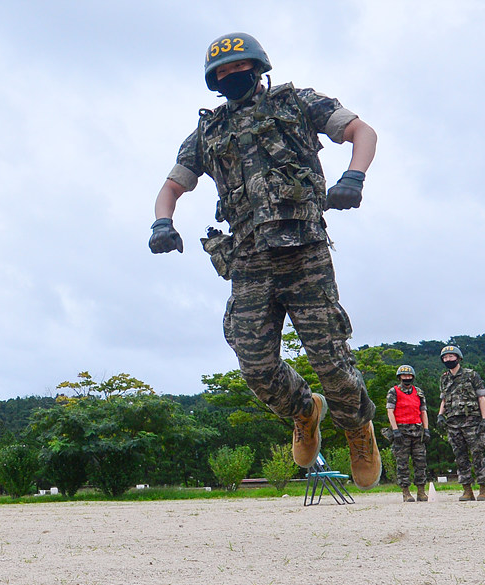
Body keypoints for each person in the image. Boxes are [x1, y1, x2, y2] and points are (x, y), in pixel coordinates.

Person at [148, 32, 380, 488]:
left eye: (241, 67)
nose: (234, 76)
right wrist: (162, 223)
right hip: (249, 261)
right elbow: (172, 186)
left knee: (331, 361)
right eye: (224, 73)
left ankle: (357, 428)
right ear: (215, 81)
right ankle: (304, 410)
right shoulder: (207, 132)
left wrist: (353, 175)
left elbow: (361, 131)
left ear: (259, 68)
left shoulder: (297, 104)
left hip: (304, 253)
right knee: (254, 363)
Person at [437, 345, 485, 501]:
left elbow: (481, 397)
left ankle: (484, 489)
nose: (448, 360)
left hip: (472, 421)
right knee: (460, 457)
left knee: (477, 455)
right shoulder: (444, 378)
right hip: (453, 422)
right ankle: (467, 490)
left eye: (451, 357)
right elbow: (444, 399)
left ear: (458, 358)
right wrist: (440, 415)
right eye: (445, 358)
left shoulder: (471, 375)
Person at [386, 365, 430, 502]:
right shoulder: (393, 392)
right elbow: (390, 411)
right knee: (402, 463)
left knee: (420, 462)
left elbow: (423, 411)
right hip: (401, 431)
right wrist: (395, 430)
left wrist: (426, 429)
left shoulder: (418, 392)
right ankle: (406, 492)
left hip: (417, 431)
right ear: (399, 377)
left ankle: (421, 491)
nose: (406, 378)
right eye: (404, 376)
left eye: (409, 376)